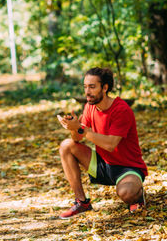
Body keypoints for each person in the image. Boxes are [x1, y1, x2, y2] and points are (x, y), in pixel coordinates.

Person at [56, 67, 148, 219]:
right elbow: (77, 139)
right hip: (103, 164)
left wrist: (81, 130)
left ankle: (138, 195)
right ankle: (82, 202)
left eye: (92, 87)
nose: (87, 91)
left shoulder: (121, 109)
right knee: (66, 145)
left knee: (126, 193)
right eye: (85, 86)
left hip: (127, 168)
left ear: (105, 88)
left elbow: (110, 144)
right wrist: (73, 127)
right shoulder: (89, 107)